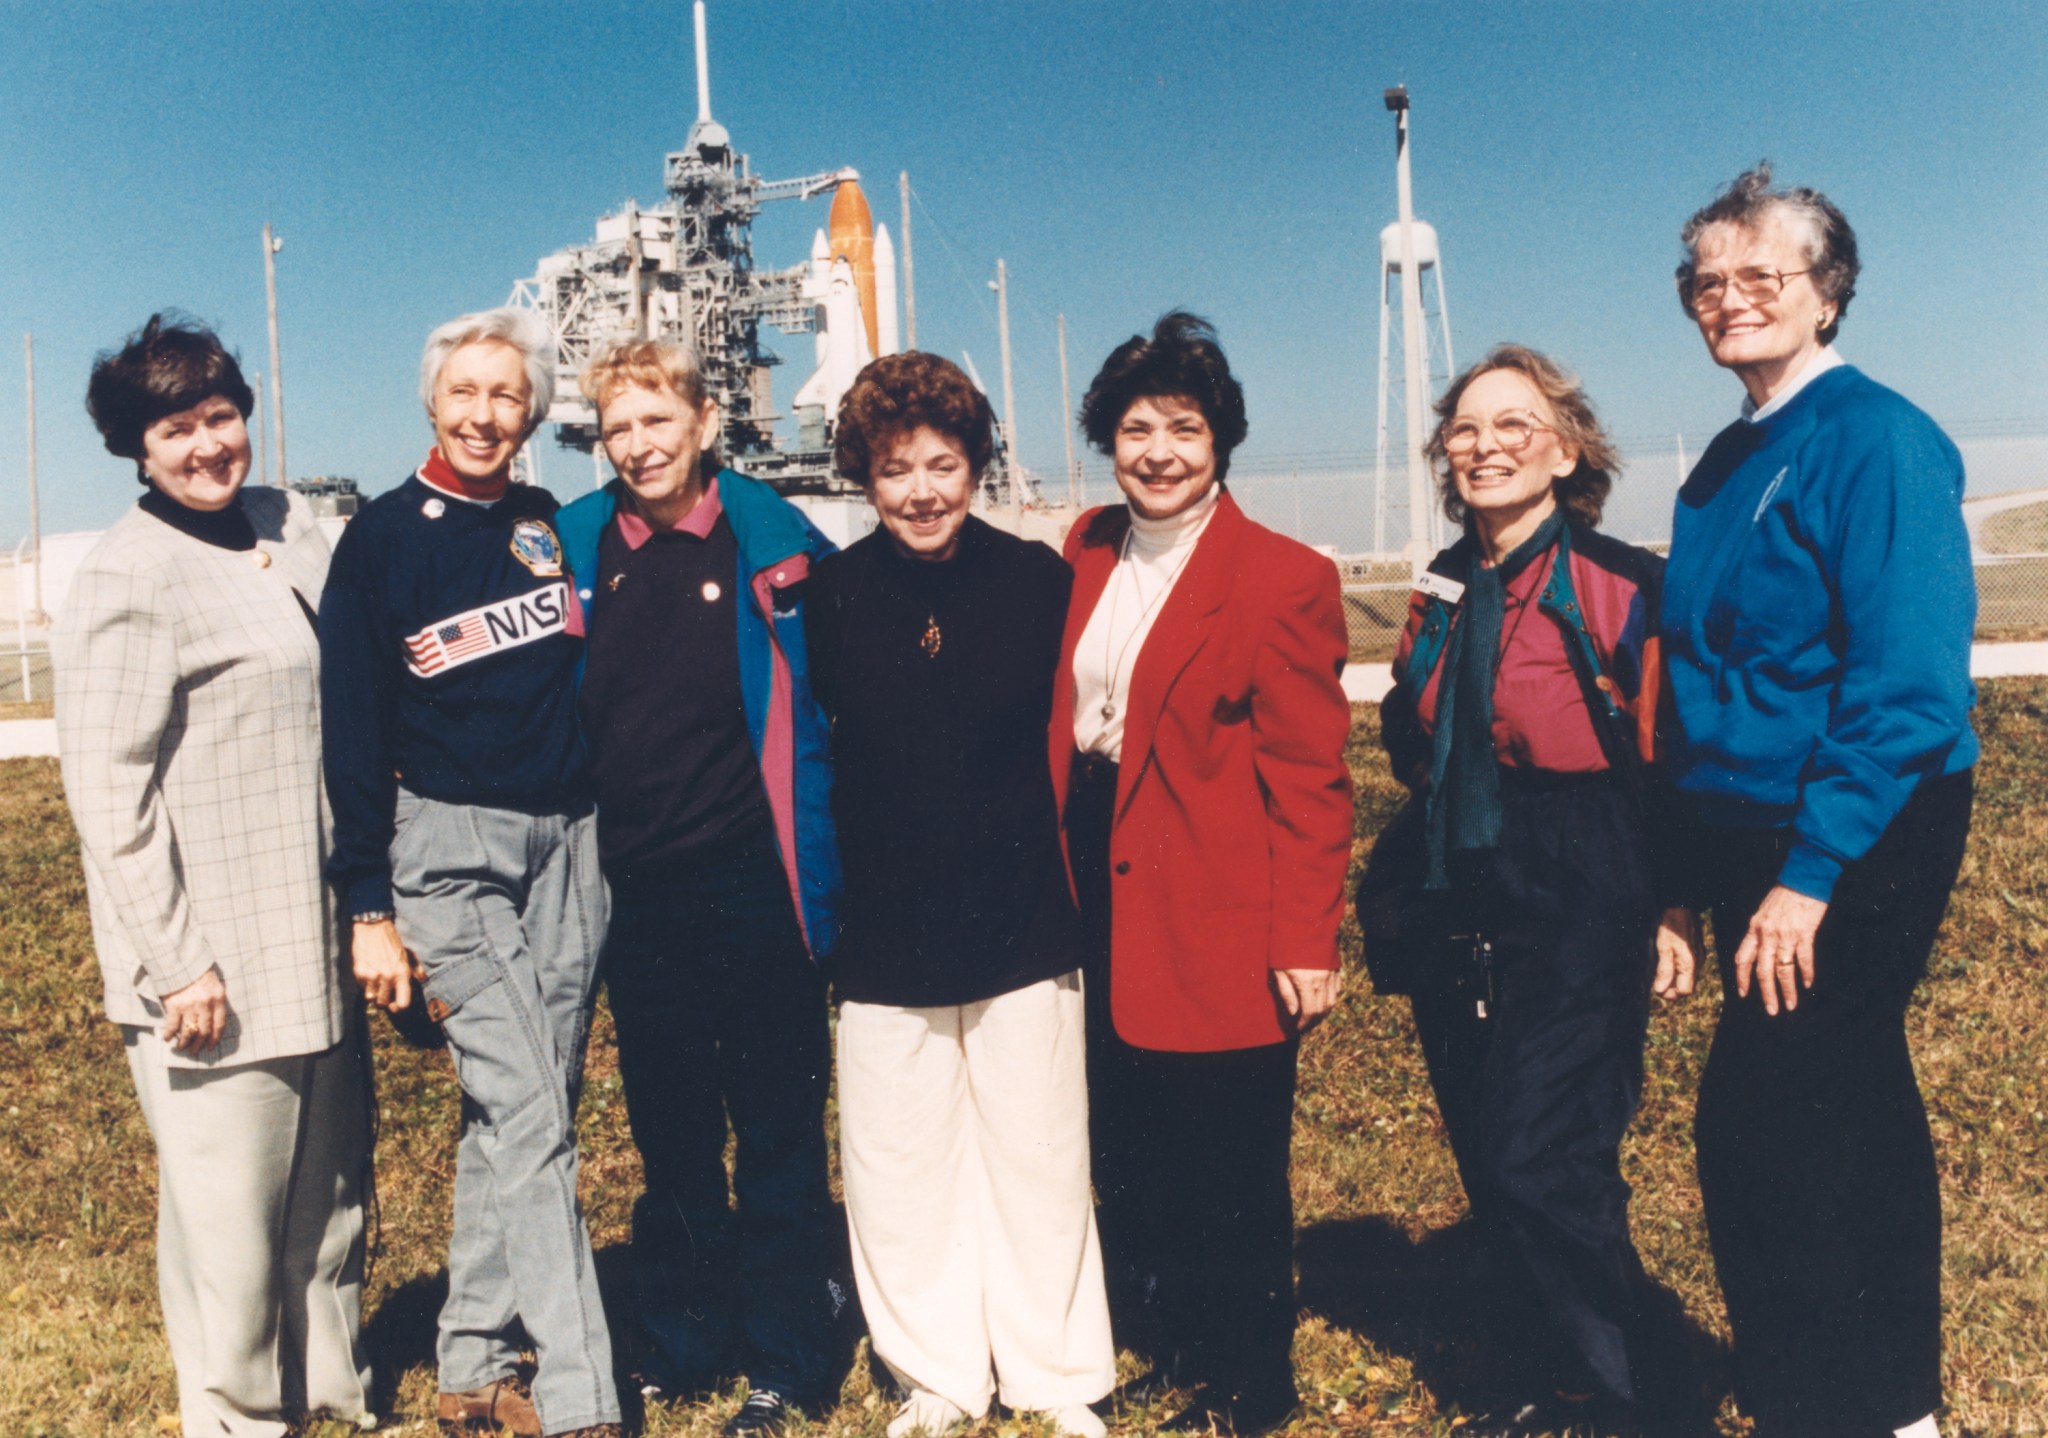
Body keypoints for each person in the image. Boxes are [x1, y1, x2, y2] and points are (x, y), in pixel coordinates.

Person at [1662, 165, 1976, 1438]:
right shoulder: (1724, 462)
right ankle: (1823, 1392)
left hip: (1860, 825)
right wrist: (1683, 881)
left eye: (1759, 276)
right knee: (1803, 1111)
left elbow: (1903, 683)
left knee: (1783, 1114)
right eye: (1705, 282)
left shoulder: (1875, 439)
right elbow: (1696, 683)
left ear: (1825, 293)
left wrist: (1809, 873)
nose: (1727, 300)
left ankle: (1882, 1406)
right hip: (1747, 831)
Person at [54, 314, 374, 1437]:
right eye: (176, 427)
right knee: (229, 1224)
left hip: (318, 931)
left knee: (330, 1206)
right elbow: (107, 789)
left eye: (221, 417)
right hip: (213, 960)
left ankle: (329, 1394)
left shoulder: (289, 526)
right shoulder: (130, 573)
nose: (207, 445)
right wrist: (175, 961)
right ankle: (239, 1417)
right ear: (136, 447)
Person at [1378, 344, 1693, 1437]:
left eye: (1512, 426)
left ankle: (1638, 1387)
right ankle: (1554, 1367)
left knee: (1538, 1145)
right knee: (1487, 1137)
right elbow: (1401, 721)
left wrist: (1671, 902)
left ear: (1562, 450)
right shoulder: (1441, 578)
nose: (1484, 447)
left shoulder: (1619, 581)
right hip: (1460, 874)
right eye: (1464, 430)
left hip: (1584, 868)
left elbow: (1668, 750)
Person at [319, 308, 618, 1438]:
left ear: (533, 411)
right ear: (432, 400)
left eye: (507, 396)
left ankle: (468, 1366)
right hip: (447, 850)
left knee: (524, 1105)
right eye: (466, 392)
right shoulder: (382, 537)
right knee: (532, 1112)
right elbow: (351, 732)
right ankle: (587, 1396)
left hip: (568, 846)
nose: (485, 414)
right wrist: (367, 904)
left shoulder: (545, 523)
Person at [805, 352, 1116, 1438]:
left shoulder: (1038, 582)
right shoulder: (828, 599)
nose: (923, 490)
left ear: (976, 465)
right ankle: (934, 1368)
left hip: (1021, 913)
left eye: (942, 463)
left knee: (1037, 1152)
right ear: (865, 477)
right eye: (896, 469)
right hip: (885, 930)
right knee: (898, 1160)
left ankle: (1055, 1370)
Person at [1052, 312, 1352, 1435]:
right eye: (1135, 428)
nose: (1158, 451)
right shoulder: (1084, 547)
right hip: (1091, 866)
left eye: (1182, 427)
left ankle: (1248, 1382)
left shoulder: (1279, 575)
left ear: (1219, 439)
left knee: (1224, 1153)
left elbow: (1311, 776)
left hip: (1210, 887)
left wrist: (1303, 937)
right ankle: (1166, 1340)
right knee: (1120, 1138)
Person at [553, 339, 845, 1437]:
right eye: (617, 427)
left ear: (704, 420)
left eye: (655, 420)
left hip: (757, 883)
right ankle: (683, 1330)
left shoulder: (775, 537)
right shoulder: (577, 545)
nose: (637, 444)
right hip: (636, 891)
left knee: (774, 1126)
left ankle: (786, 1351)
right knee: (669, 1128)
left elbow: (836, 707)